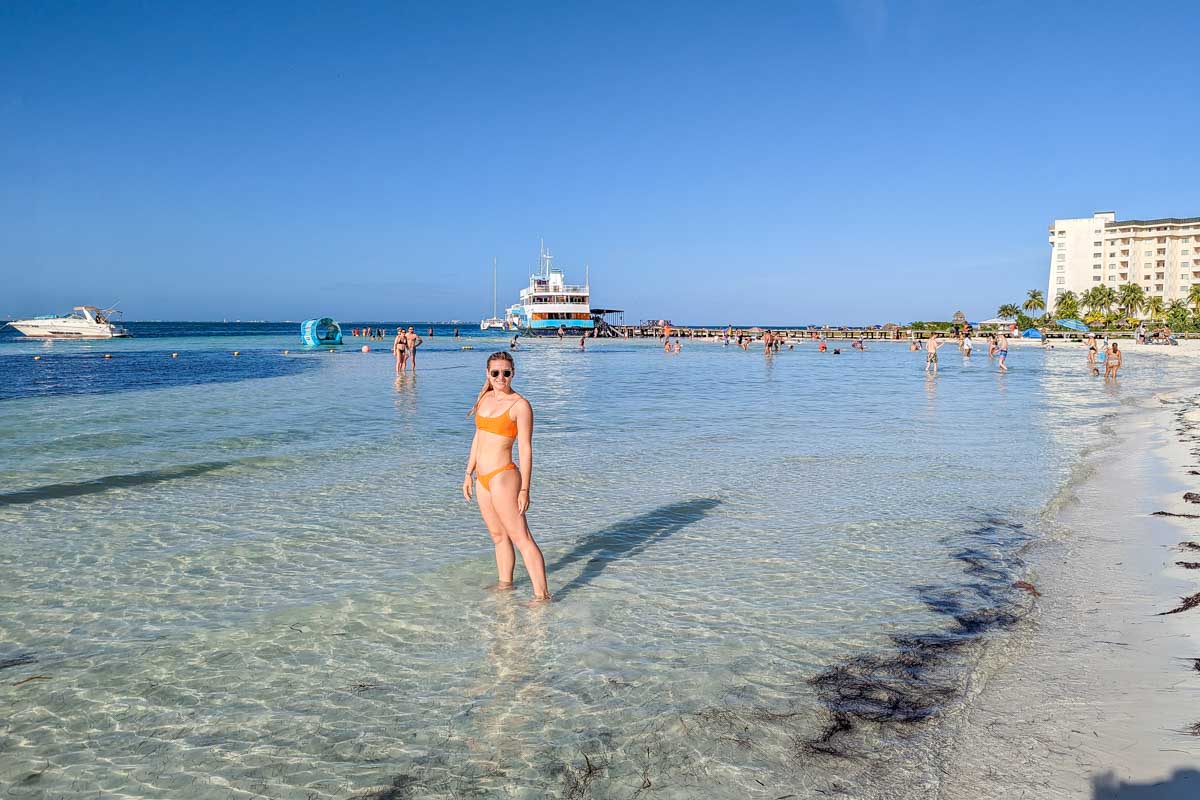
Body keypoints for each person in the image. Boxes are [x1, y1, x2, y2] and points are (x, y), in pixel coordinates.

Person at [463, 352, 549, 600]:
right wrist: (468, 473)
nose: (501, 377)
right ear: (487, 373)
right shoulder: (484, 398)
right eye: (496, 373)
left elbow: (526, 449)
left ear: (513, 373)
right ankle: (505, 586)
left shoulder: (520, 405)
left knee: (521, 538)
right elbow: (478, 437)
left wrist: (525, 489)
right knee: (498, 536)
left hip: (504, 477)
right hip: (483, 478)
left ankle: (542, 597)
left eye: (506, 372)